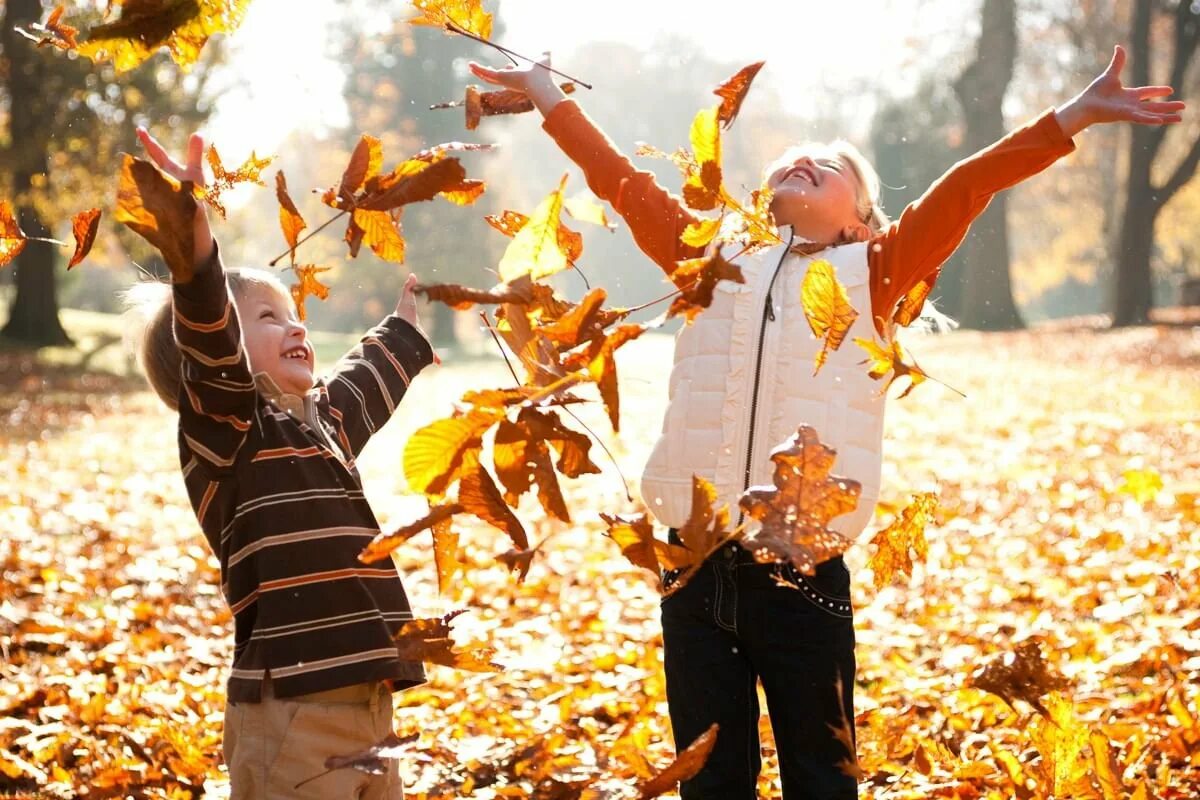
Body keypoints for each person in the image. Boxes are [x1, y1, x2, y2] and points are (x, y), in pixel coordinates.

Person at [467, 45, 1184, 799]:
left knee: (820, 775)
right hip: (691, 565)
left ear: (860, 220)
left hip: (801, 577)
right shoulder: (707, 262)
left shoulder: (875, 272)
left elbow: (969, 185)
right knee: (710, 781)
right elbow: (619, 181)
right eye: (789, 159)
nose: (801, 162)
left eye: (828, 165)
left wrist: (1072, 115)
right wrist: (549, 94)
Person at [126, 126, 436, 798]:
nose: (297, 327)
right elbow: (210, 340)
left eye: (295, 316)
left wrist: (403, 333)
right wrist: (195, 253)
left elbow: (363, 383)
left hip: (370, 705)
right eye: (268, 317)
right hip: (291, 711)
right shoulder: (228, 432)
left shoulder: (322, 424)